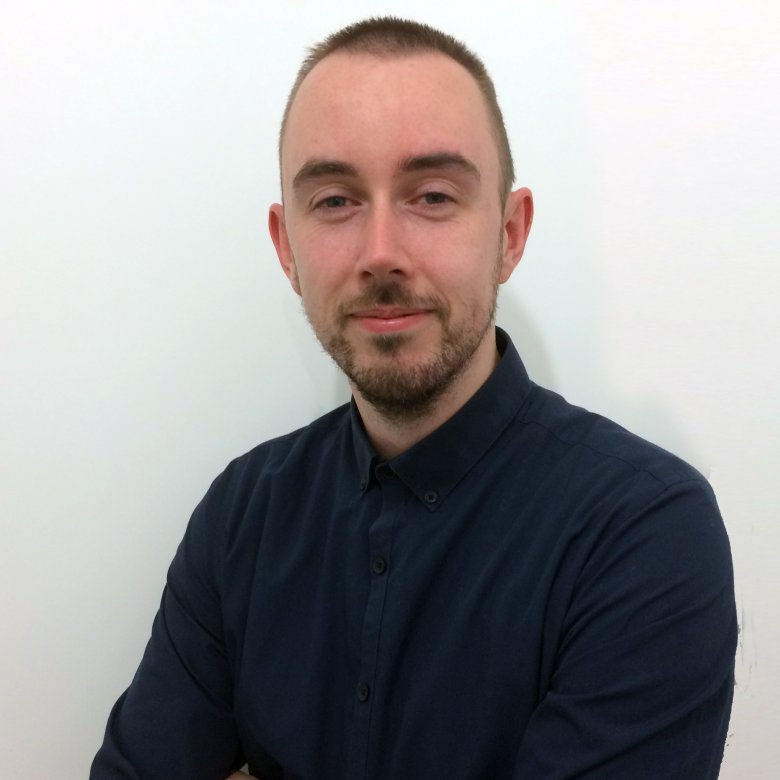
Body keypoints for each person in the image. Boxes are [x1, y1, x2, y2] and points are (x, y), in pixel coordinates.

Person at [91, 16, 737, 780]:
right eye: (334, 201)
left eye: (432, 195)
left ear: (510, 232)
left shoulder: (642, 531)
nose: (381, 254)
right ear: (285, 246)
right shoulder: (241, 518)